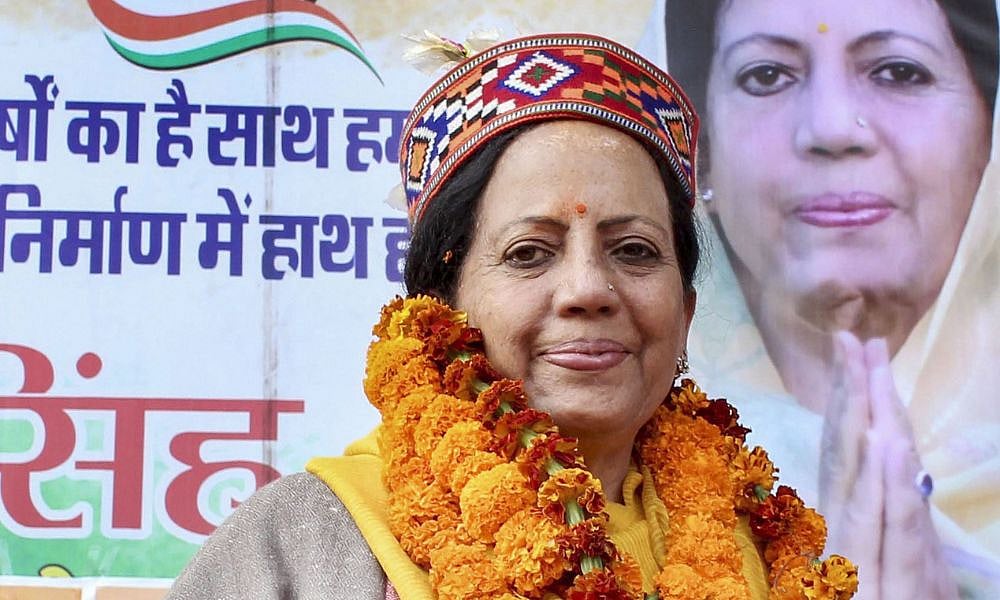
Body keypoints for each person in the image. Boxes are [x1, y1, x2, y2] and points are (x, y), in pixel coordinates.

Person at [166, 34, 858, 599]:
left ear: (684, 311)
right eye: (530, 253)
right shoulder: (307, 545)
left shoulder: (766, 553)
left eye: (635, 251)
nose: (588, 289)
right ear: (441, 308)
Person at [661, 0, 1000, 597]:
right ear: (701, 151)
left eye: (899, 71)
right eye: (766, 75)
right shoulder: (608, 457)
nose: (832, 127)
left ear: (989, 129)